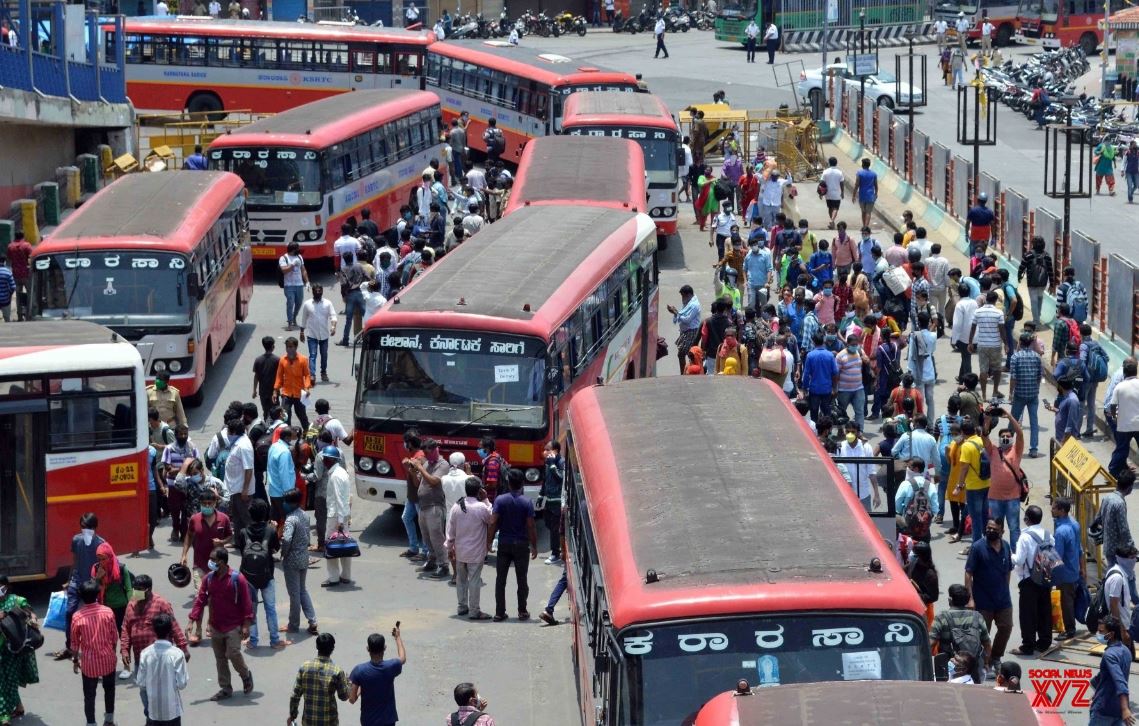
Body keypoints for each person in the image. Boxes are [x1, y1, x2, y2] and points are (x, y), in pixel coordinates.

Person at [188, 547, 253, 702]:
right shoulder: (209, 579)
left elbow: (247, 603)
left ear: (222, 562)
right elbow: (200, 600)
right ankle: (225, 688)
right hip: (216, 625)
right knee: (220, 659)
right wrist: (192, 620)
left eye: (213, 559)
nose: (210, 562)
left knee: (233, 653)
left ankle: (245, 675)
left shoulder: (238, 579)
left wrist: (246, 625)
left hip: (233, 625)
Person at [234, 499, 284, 650]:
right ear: (266, 514)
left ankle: (253, 640)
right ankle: (274, 640)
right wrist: (274, 530)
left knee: (250, 609)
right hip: (267, 575)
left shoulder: (243, 532)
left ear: (250, 514)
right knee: (270, 608)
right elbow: (275, 549)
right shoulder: (271, 531)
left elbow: (242, 551)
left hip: (247, 576)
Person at [489, 469, 537, 622]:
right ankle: (522, 611)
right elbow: (530, 526)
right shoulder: (527, 502)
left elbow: (493, 522)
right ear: (522, 483)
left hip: (504, 544)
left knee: (500, 580)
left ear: (508, 483)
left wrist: (488, 541)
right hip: (521, 545)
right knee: (522, 579)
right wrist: (534, 545)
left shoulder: (500, 500)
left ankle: (499, 612)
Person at [965, 519, 1014, 669]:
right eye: (988, 528)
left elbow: (1008, 571)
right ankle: (982, 661)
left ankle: (996, 657)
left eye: (994, 529)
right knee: (982, 633)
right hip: (983, 600)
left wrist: (1005, 588)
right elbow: (968, 573)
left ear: (1002, 532)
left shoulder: (1006, 546)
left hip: (1003, 600)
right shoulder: (977, 547)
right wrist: (970, 599)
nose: (990, 531)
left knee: (1006, 627)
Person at [71, 579, 119, 726]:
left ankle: (91, 723)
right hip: (108, 660)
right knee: (109, 690)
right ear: (98, 594)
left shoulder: (77, 616)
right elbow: (114, 637)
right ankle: (109, 720)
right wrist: (113, 654)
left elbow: (75, 643)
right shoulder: (108, 612)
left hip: (89, 664)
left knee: (89, 696)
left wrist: (75, 661)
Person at [446, 477, 494, 620]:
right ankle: (474, 611)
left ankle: (462, 607)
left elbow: (450, 530)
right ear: (479, 491)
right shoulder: (481, 507)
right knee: (474, 581)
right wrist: (486, 500)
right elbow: (491, 519)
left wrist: (449, 548)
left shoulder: (456, 507)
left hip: (460, 551)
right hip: (476, 553)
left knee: (461, 580)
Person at [1010, 505, 1054, 657]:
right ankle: (1044, 642)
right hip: (1045, 576)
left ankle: (1028, 645)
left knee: (1028, 614)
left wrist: (1010, 555)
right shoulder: (1048, 535)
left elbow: (1019, 560)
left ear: (1026, 519)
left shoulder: (1025, 537)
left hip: (1028, 579)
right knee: (1044, 610)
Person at [404, 439, 450, 578]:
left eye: (427, 452)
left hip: (435, 505)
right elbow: (418, 483)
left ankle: (443, 565)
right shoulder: (426, 464)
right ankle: (432, 560)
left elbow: (434, 481)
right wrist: (413, 471)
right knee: (426, 536)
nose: (426, 455)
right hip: (423, 505)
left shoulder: (443, 464)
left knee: (436, 537)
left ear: (435, 450)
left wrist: (420, 467)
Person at [930, 584, 991, 683]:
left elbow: (931, 643)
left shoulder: (941, 617)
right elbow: (987, 643)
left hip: (948, 668)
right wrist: (986, 663)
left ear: (950, 600)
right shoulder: (977, 617)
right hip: (972, 668)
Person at [135, 612, 188, 726]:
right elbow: (182, 684)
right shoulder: (177, 654)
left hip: (153, 711)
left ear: (154, 630)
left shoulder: (145, 653)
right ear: (170, 631)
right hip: (172, 710)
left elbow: (141, 683)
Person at [280, 488, 319, 637]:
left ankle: (293, 625)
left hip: (292, 560)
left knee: (294, 594)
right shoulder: (304, 515)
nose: (284, 504)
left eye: (286, 501)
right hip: (304, 556)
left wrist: (284, 552)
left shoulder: (290, 519)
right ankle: (312, 621)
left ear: (292, 503)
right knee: (302, 590)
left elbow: (287, 539)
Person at [0, 575, 38, 725]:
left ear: (6, 587)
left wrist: (33, 619)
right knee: (6, 681)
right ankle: (18, 707)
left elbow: (29, 611)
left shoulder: (17, 600)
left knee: (7, 681)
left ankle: (4, 715)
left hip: (13, 649)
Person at [349, 626, 406, 726]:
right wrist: (397, 637)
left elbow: (352, 699)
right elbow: (403, 658)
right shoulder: (392, 666)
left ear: (368, 649)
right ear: (385, 648)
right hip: (388, 720)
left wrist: (360, 689)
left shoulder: (359, 670)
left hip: (368, 720)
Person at [289, 633, 348, 726]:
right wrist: (348, 683)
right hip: (329, 721)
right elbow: (344, 696)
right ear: (332, 649)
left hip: (308, 721)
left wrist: (293, 715)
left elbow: (295, 695)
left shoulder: (304, 667)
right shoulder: (337, 671)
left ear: (317, 647)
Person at [1090, 615, 1134, 725]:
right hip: (1117, 709)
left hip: (1104, 709)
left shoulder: (1109, 655)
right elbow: (1108, 675)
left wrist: (1125, 709)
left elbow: (1119, 681)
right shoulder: (1126, 651)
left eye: (1101, 631)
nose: (1098, 634)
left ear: (1111, 634)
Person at [321, 447, 354, 587]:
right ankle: (346, 576)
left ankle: (333, 578)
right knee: (344, 544)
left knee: (331, 545)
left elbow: (339, 499)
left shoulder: (335, 476)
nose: (323, 461)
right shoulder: (341, 472)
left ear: (329, 459)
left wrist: (340, 521)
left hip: (335, 516)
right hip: (342, 514)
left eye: (324, 458)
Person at [1009, 331, 1043, 457]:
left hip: (1019, 394)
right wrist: (1036, 388)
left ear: (1020, 343)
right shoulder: (1037, 357)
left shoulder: (1015, 357)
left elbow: (1013, 377)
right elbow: (1039, 376)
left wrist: (1010, 393)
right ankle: (1034, 449)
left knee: (1013, 420)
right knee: (1034, 422)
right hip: (1033, 394)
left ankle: (1008, 444)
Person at [970, 291, 1005, 399]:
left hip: (982, 345)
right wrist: (1006, 344)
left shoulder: (978, 312)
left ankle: (984, 395)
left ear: (986, 299)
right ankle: (995, 391)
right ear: (995, 300)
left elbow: (973, 327)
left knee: (983, 370)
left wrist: (970, 342)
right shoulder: (999, 313)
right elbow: (1002, 330)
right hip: (995, 345)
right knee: (997, 369)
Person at [298, 284, 336, 384]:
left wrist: (333, 327)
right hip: (312, 334)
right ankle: (312, 375)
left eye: (320, 291)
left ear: (322, 291)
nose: (318, 292)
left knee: (324, 355)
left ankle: (323, 372)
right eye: (316, 291)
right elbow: (303, 319)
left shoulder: (328, 303)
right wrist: (301, 332)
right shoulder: (307, 304)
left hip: (324, 334)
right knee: (312, 355)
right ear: (313, 292)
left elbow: (333, 316)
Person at [275, 337, 312, 431]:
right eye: (287, 347)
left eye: (291, 347)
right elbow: (279, 376)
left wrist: (307, 387)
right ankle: (288, 434)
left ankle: (307, 432)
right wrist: (275, 390)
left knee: (302, 415)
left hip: (299, 394)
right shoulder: (282, 360)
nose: (288, 349)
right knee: (285, 416)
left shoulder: (303, 359)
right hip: (286, 394)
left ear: (296, 347)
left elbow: (307, 375)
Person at [1109, 358, 1139, 476]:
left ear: (1124, 372)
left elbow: (1113, 406)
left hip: (1124, 425)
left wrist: (1115, 419)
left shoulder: (1119, 387)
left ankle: (1114, 471)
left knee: (1121, 449)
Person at [541, 441, 564, 564]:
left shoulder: (560, 462)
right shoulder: (548, 463)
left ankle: (555, 553)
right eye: (545, 449)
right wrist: (541, 496)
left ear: (555, 451)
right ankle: (558, 548)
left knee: (555, 528)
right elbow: (545, 480)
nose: (545, 452)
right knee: (548, 524)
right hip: (548, 500)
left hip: (557, 501)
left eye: (548, 449)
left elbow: (560, 479)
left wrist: (552, 465)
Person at [279, 242, 308, 331]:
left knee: (299, 303)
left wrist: (307, 282)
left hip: (299, 284)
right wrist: (292, 265)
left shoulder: (299, 257)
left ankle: (294, 317)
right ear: (293, 250)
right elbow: (284, 270)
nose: (298, 250)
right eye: (297, 249)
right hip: (289, 285)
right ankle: (290, 323)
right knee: (290, 303)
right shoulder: (283, 258)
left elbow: (303, 270)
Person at [853, 158, 878, 229]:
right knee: (868, 212)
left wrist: (854, 195)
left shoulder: (859, 173)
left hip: (862, 195)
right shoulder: (874, 174)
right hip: (870, 195)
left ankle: (864, 226)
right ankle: (866, 227)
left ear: (863, 164)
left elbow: (857, 184)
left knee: (863, 212)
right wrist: (876, 193)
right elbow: (876, 185)